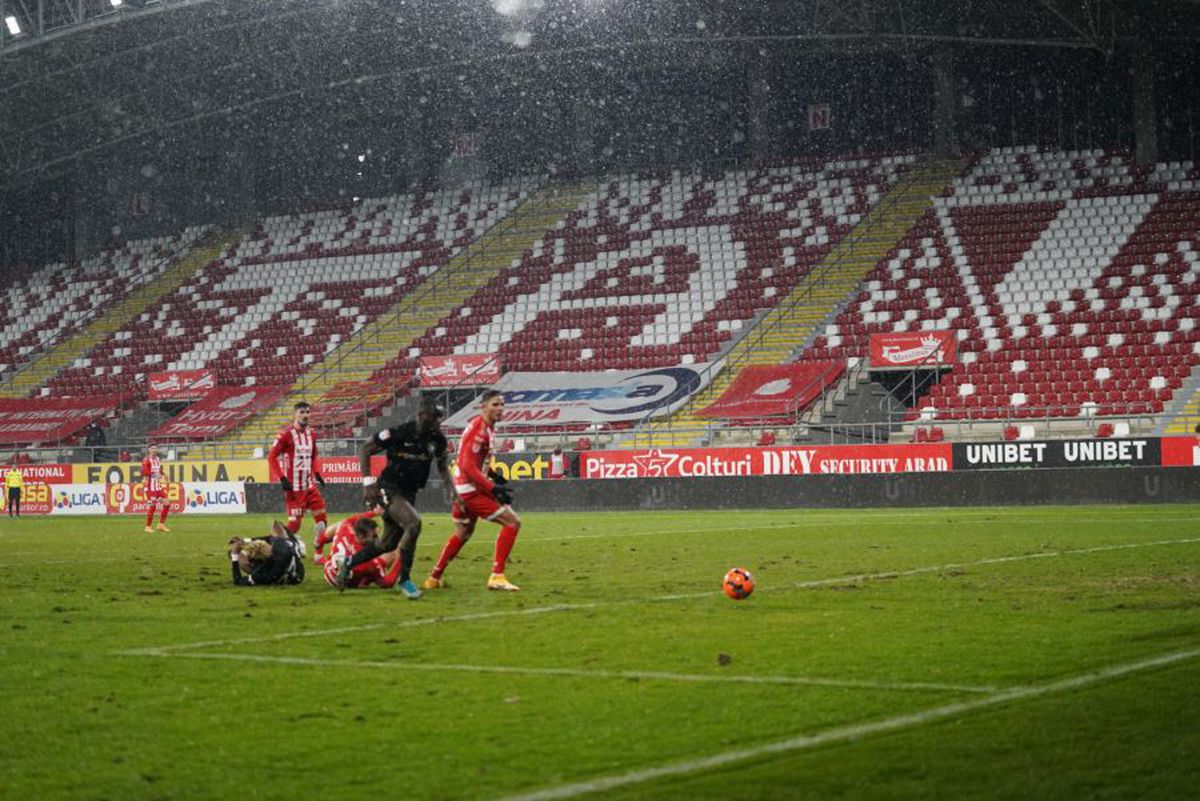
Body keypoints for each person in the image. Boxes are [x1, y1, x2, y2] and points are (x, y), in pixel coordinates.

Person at [335, 397, 455, 599]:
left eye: (439, 419)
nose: (437, 423)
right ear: (422, 415)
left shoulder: (437, 440)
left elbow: (443, 465)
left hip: (409, 492)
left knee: (387, 544)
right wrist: (368, 483)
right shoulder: (399, 432)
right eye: (434, 418)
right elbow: (365, 449)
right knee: (414, 524)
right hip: (389, 488)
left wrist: (451, 488)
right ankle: (405, 580)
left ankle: (348, 563)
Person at [423, 389, 522, 591]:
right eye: (495, 404)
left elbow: (473, 461)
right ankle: (497, 576)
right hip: (470, 489)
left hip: (463, 488)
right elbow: (468, 466)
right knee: (512, 522)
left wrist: (493, 475)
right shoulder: (479, 429)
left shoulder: (485, 427)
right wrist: (492, 488)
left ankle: (433, 578)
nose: (500, 408)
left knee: (463, 533)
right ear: (483, 407)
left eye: (502, 404)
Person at [268, 401, 328, 545]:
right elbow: (271, 457)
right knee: (294, 526)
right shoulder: (285, 435)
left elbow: (313, 456)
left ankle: (319, 556)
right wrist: (282, 478)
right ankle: (273, 543)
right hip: (294, 489)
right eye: (302, 412)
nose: (305, 415)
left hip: (310, 486)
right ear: (295, 414)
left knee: (322, 521)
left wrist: (317, 473)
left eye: (307, 412)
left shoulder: (311, 434)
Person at [320, 512, 404, 589]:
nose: (377, 538)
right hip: (347, 582)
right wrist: (403, 556)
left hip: (328, 570)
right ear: (361, 536)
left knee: (339, 524)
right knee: (391, 552)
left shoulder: (345, 529)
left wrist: (373, 512)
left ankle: (318, 544)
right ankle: (366, 579)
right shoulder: (368, 562)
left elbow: (351, 520)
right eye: (374, 536)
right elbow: (387, 583)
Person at [228, 521, 306, 586]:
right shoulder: (280, 543)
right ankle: (298, 548)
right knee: (277, 526)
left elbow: (238, 581)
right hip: (298, 573)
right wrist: (246, 541)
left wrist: (234, 555)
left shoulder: (261, 575)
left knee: (243, 563)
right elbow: (275, 528)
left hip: (284, 576)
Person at [142, 443, 171, 533]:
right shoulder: (146, 460)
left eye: (155, 448)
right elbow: (145, 473)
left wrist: (163, 474)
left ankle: (161, 525)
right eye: (152, 448)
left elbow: (158, 470)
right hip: (150, 487)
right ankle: (148, 527)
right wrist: (155, 475)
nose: (154, 450)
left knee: (167, 504)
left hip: (158, 486)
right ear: (149, 450)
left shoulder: (158, 459)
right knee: (153, 506)